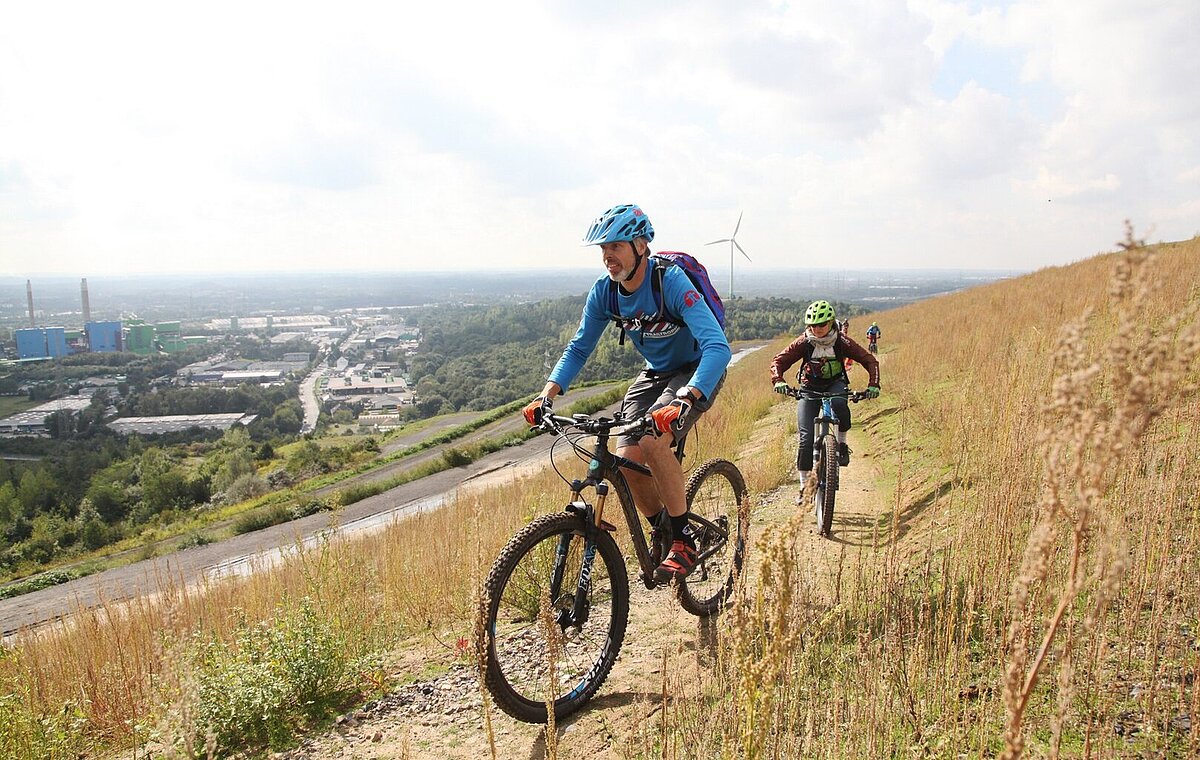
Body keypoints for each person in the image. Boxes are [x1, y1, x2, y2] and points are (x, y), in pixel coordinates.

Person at [523, 203, 731, 581]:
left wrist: (687, 396)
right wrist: (546, 395)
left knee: (652, 443)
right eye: (602, 249)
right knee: (624, 457)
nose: (607, 257)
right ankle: (662, 529)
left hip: (697, 369)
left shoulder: (670, 283)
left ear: (640, 245)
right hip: (654, 373)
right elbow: (579, 347)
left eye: (615, 246)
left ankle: (684, 541)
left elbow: (718, 348)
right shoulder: (605, 293)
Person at [770, 300, 880, 502]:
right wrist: (778, 380)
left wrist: (874, 385)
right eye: (812, 325)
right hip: (809, 387)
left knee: (840, 404)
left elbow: (869, 360)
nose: (817, 329)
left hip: (834, 384)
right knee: (805, 438)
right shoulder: (805, 341)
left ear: (830, 323)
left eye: (821, 325)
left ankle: (842, 443)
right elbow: (779, 360)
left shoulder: (841, 341)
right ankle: (804, 487)